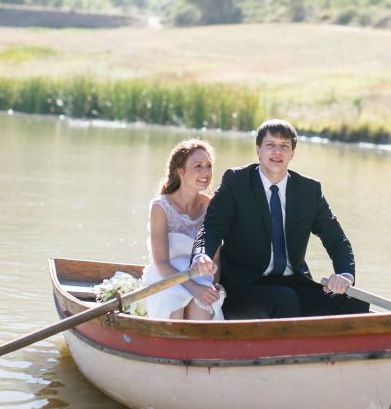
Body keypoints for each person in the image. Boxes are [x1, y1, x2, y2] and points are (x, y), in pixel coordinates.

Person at [195, 119, 370, 319]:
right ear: (258, 149)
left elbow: (336, 239)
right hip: (244, 289)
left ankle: (339, 350)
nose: (277, 152)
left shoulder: (309, 190)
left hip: (294, 283)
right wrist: (202, 255)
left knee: (356, 301)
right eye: (270, 145)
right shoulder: (237, 182)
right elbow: (211, 227)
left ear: (292, 153)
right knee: (284, 299)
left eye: (284, 146)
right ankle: (290, 350)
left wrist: (345, 275)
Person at [141, 138, 225, 320]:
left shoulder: (211, 207)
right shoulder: (160, 207)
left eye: (208, 166)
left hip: (201, 277)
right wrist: (194, 289)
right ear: (181, 171)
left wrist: (213, 284)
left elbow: (216, 258)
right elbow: (161, 263)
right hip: (167, 277)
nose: (206, 172)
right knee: (174, 304)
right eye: (198, 166)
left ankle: (198, 347)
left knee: (202, 306)